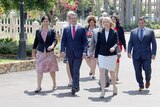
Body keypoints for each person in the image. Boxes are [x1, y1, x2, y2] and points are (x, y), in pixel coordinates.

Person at [60, 12, 88, 95]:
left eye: (74, 18)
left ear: (77, 19)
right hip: (69, 53)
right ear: (69, 20)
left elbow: (85, 42)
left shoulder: (82, 29)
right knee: (72, 70)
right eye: (71, 18)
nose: (73, 19)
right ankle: (76, 86)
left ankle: (74, 87)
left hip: (79, 53)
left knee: (76, 70)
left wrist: (84, 52)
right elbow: (63, 41)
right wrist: (62, 50)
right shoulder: (66, 29)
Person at [128, 17, 157, 91]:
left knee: (147, 69)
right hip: (136, 55)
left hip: (147, 54)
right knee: (137, 71)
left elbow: (154, 43)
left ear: (144, 23)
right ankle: (141, 84)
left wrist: (153, 53)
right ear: (138, 23)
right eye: (139, 23)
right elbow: (130, 42)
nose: (141, 24)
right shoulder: (133, 32)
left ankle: (147, 80)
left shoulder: (150, 31)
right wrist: (129, 51)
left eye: (142, 22)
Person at [32, 16, 59, 93]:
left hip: (50, 53)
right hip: (40, 53)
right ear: (42, 22)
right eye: (44, 21)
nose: (46, 22)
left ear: (49, 22)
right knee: (39, 70)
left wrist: (52, 46)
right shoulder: (38, 31)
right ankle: (38, 86)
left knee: (52, 69)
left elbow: (55, 40)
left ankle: (54, 84)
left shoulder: (52, 30)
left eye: (47, 21)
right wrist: (33, 51)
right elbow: (35, 42)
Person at [95, 17, 118, 98]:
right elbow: (97, 45)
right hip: (101, 55)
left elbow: (116, 43)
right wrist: (96, 56)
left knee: (112, 72)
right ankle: (103, 90)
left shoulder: (114, 32)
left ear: (110, 23)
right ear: (102, 24)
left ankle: (114, 87)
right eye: (104, 22)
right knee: (102, 72)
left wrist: (113, 47)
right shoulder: (100, 33)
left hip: (111, 55)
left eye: (107, 22)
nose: (105, 23)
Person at [89, 16, 110, 88]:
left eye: (103, 21)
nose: (102, 23)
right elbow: (92, 42)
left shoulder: (109, 30)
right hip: (98, 53)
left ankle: (105, 80)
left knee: (106, 69)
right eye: (101, 21)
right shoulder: (95, 31)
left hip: (108, 53)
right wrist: (91, 52)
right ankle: (102, 83)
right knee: (101, 67)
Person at [110, 15, 126, 81]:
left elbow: (122, 37)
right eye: (112, 19)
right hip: (110, 46)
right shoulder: (108, 27)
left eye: (114, 19)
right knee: (111, 60)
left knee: (116, 60)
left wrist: (125, 46)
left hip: (118, 46)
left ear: (116, 20)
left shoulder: (120, 28)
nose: (113, 20)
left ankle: (116, 75)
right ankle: (112, 75)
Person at [62, 11, 75, 87]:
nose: (71, 18)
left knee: (75, 64)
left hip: (76, 49)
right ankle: (70, 79)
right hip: (68, 49)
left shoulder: (78, 26)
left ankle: (75, 78)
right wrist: (62, 50)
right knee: (68, 64)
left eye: (72, 16)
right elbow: (63, 39)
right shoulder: (65, 27)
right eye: (69, 16)